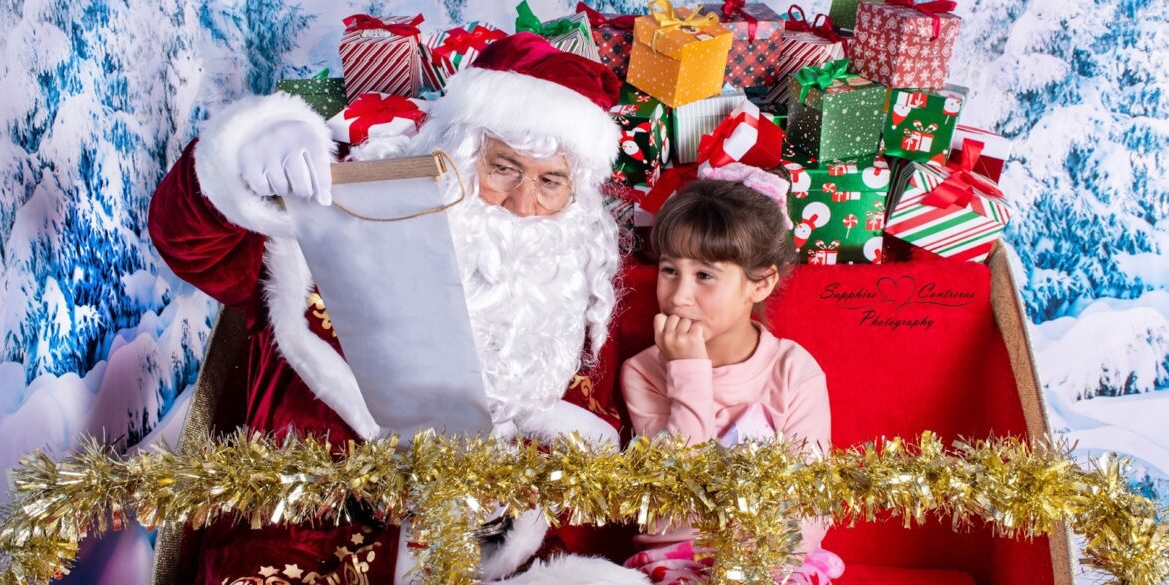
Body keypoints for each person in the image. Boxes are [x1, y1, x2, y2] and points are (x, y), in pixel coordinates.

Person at [149, 33, 647, 585]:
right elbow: (189, 242)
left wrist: (511, 496)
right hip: (307, 535)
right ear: (456, 152)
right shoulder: (342, 216)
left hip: (489, 561)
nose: (524, 205)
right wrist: (239, 155)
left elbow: (587, 473)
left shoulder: (572, 293)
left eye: (550, 181)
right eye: (504, 168)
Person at [619, 165, 844, 585]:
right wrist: (688, 371)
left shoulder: (794, 371)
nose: (679, 296)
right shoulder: (645, 372)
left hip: (774, 560)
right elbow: (672, 498)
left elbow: (812, 501)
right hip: (677, 559)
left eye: (704, 275)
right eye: (670, 271)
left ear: (760, 284)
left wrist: (763, 567)